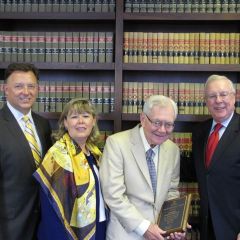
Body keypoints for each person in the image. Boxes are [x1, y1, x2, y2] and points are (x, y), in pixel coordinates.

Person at [100, 95, 187, 240]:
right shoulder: (116, 143)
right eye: (157, 122)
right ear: (142, 118)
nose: (162, 130)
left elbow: (171, 191)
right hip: (125, 234)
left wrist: (175, 225)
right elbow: (113, 194)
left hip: (160, 234)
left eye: (169, 124)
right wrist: (144, 227)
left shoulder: (173, 150)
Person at [33, 98, 107, 240]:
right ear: (65, 123)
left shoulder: (95, 153)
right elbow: (51, 208)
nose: (80, 121)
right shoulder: (57, 156)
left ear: (93, 121)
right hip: (65, 233)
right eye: (74, 117)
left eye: (85, 116)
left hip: (99, 225)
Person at [0, 63, 52, 240]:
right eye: (18, 86)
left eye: (31, 86)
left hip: (42, 224)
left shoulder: (43, 125)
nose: (26, 91)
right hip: (9, 228)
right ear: (5, 89)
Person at [192, 75, 240, 240]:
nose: (218, 100)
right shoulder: (200, 132)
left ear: (234, 97)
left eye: (223, 94)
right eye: (212, 96)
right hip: (206, 227)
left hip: (235, 228)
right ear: (206, 101)